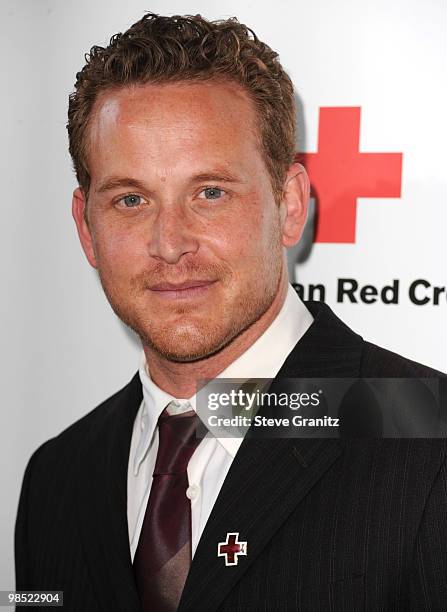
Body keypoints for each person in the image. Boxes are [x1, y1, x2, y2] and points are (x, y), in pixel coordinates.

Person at [15, 12, 446, 612]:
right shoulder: (55, 478)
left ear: (290, 204)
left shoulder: (430, 445)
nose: (170, 243)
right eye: (131, 199)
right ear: (86, 228)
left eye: (210, 192)